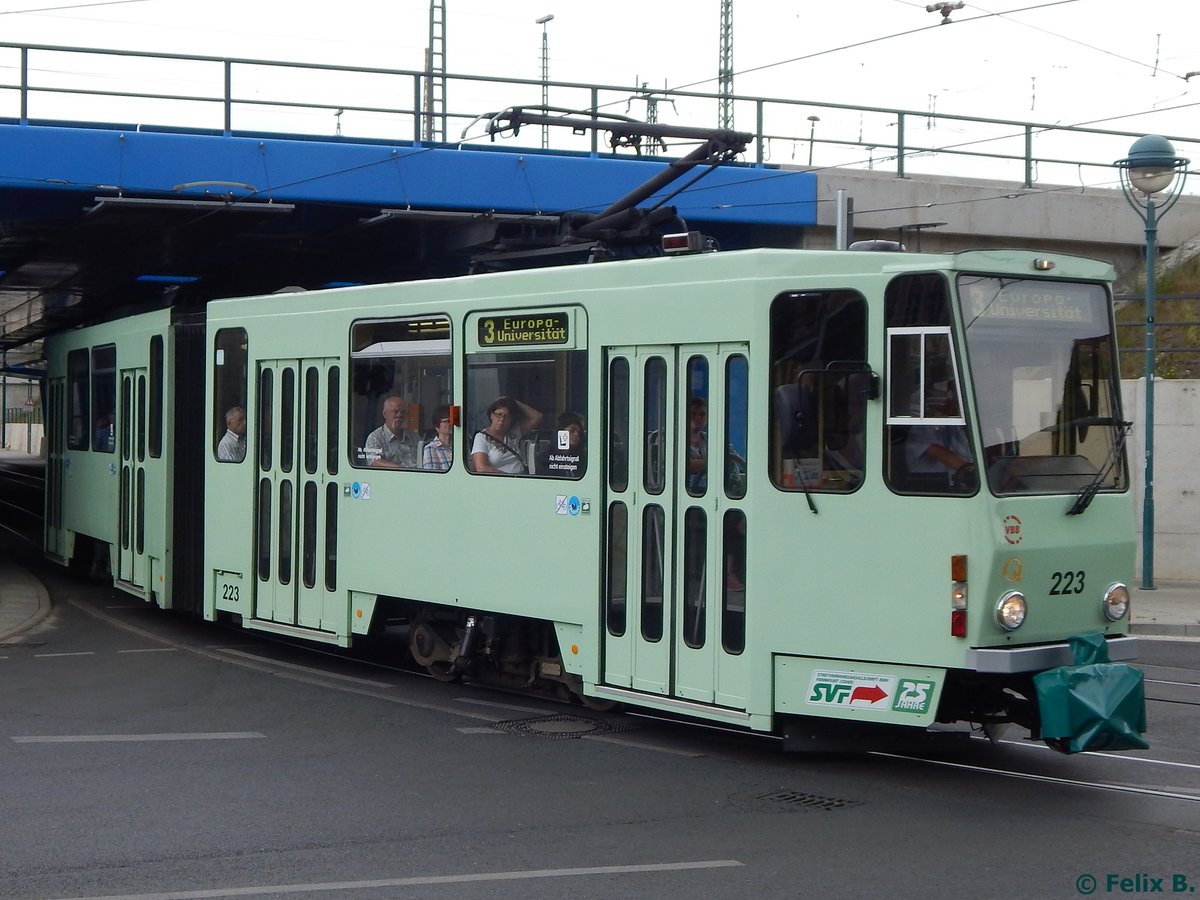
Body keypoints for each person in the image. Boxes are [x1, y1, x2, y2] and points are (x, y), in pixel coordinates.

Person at [905, 389, 976, 488]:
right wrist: (970, 472)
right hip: (930, 487)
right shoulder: (920, 429)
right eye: (948, 401)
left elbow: (967, 453)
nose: (952, 403)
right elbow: (937, 451)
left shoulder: (953, 426)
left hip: (959, 484)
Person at [471, 396, 542, 474]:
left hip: (521, 477)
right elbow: (481, 468)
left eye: (506, 416)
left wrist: (512, 401)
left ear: (511, 419)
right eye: (499, 414)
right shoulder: (481, 437)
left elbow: (537, 417)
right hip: (501, 479)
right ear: (491, 415)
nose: (502, 419)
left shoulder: (514, 432)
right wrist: (508, 477)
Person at [364, 395, 419, 469]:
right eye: (395, 412)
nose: (399, 415)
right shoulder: (375, 438)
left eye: (403, 412)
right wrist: (402, 470)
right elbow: (375, 462)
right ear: (385, 414)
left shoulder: (414, 437)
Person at [544, 411, 585, 478]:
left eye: (579, 432)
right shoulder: (545, 459)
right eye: (572, 430)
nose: (576, 434)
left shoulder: (583, 460)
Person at [421, 405, 453, 472]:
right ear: (437, 426)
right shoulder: (431, 448)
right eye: (447, 421)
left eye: (452, 420)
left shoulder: (460, 446)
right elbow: (432, 475)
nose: (451, 424)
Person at [686, 396, 708, 494]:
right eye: (693, 414)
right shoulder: (670, 438)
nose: (698, 418)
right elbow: (683, 465)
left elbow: (730, 457)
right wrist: (710, 461)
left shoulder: (710, 439)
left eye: (702, 414)